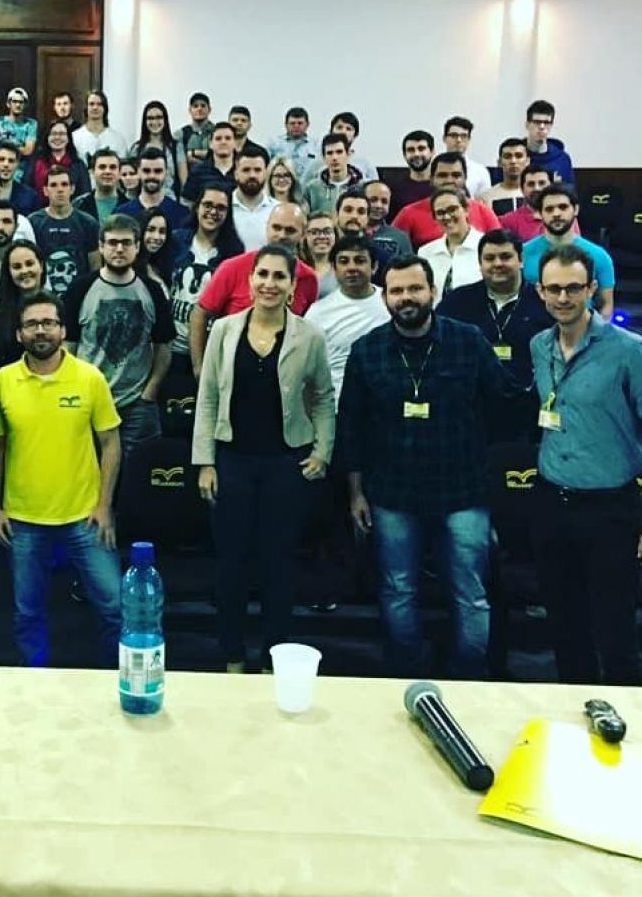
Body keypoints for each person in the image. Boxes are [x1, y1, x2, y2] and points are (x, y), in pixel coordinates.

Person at [337, 256, 522, 678]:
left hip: (462, 490)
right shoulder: (366, 350)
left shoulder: (467, 340)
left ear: (433, 292)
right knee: (397, 590)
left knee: (470, 592)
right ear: (385, 297)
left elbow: (504, 401)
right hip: (392, 493)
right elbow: (352, 428)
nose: (407, 298)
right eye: (397, 291)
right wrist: (356, 493)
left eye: (415, 289)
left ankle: (469, 676)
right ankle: (409, 672)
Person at [193, 244, 334, 670]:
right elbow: (208, 397)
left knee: (279, 563)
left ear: (292, 286)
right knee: (231, 562)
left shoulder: (309, 336)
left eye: (279, 276)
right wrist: (205, 462)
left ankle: (276, 657)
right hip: (232, 460)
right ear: (250, 280)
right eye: (263, 275)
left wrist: (322, 451)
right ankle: (232, 655)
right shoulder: (224, 330)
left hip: (285, 464)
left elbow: (322, 397)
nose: (269, 283)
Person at [0, 290, 123, 667]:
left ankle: (113, 677)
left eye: (48, 323)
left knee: (115, 607)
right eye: (31, 324)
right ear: (19, 334)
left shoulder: (89, 378)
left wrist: (104, 506)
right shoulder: (2, 381)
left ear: (63, 330)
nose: (40, 331)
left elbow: (111, 443)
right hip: (23, 519)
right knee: (27, 612)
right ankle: (35, 678)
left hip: (86, 517)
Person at [529, 245, 642, 684]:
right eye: (554, 288)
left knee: (614, 627)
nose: (563, 298)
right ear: (540, 291)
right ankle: (575, 704)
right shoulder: (539, 346)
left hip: (610, 508)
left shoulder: (629, 351)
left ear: (592, 288)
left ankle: (624, 715)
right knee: (563, 622)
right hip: (551, 502)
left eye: (573, 288)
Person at [64, 214, 174, 467]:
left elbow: (164, 347)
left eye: (126, 243)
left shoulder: (153, 290)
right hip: (90, 401)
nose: (119, 249)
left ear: (138, 246)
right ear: (101, 247)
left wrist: (149, 394)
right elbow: (68, 348)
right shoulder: (80, 288)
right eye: (113, 243)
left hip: (137, 404)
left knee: (137, 477)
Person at [438, 227, 550, 444]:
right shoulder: (457, 302)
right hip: (471, 415)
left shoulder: (544, 302)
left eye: (505, 256)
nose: (497, 263)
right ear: (480, 264)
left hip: (529, 417)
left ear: (521, 260)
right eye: (489, 258)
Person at [188, 204, 319, 375]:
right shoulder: (232, 267)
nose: (282, 235)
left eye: (290, 230)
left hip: (284, 372)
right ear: (267, 228)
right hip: (231, 368)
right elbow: (200, 313)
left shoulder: (309, 279)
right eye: (276, 228)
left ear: (303, 234)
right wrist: (200, 367)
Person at [166, 183, 244, 377]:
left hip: (210, 348)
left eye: (220, 208)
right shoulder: (176, 240)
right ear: (197, 207)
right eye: (207, 205)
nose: (213, 212)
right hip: (172, 346)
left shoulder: (233, 251)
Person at [303, 234, 389, 398]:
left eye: (360, 261)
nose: (351, 267)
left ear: (374, 266)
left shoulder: (392, 302)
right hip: (337, 402)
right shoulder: (318, 313)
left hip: (388, 401)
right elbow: (307, 368)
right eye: (343, 261)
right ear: (333, 268)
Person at [520, 183, 615, 321]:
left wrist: (596, 334)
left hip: (582, 330)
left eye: (563, 207)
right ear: (540, 214)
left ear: (575, 209)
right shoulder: (523, 254)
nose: (556, 214)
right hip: (532, 329)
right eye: (549, 209)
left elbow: (606, 306)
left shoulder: (599, 256)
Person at [391, 152, 500, 248]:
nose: (449, 180)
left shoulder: (483, 211)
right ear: (431, 179)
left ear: (465, 178)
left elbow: (500, 247)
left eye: (456, 175)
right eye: (442, 175)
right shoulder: (408, 214)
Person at [29, 164, 101, 296]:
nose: (60, 189)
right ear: (45, 190)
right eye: (53, 185)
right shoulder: (33, 222)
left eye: (64, 184)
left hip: (80, 294)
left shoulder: (88, 223)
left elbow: (95, 267)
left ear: (72, 189)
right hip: (43, 295)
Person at [0, 239, 45, 366]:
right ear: (9, 272)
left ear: (41, 266)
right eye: (17, 267)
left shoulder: (56, 306)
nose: (24, 271)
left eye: (29, 264)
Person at [419, 186, 483, 302]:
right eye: (440, 213)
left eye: (452, 209)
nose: (447, 217)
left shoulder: (485, 246)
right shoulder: (425, 252)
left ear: (466, 210)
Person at [115, 146, 189, 229]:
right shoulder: (121, 214)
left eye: (158, 171)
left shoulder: (182, 214)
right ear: (138, 172)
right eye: (146, 171)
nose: (152, 176)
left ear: (166, 172)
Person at [130, 100, 187, 195]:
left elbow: (184, 181)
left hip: (169, 198)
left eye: (159, 117)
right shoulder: (136, 148)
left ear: (165, 120)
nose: (155, 122)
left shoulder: (176, 147)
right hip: (143, 199)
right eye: (150, 118)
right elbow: (131, 179)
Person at [302, 133, 362, 218]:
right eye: (329, 153)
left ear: (348, 154)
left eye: (339, 152)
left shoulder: (362, 186)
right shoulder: (312, 188)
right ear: (323, 158)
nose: (334, 157)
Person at [229, 143, 274, 249]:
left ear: (266, 173)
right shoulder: (223, 207)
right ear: (236, 174)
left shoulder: (277, 210)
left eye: (257, 170)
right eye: (246, 170)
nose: (252, 175)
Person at [182, 120, 238, 201]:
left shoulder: (244, 170)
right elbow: (187, 202)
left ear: (235, 143)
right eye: (218, 139)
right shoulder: (197, 171)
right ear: (210, 143)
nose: (223, 142)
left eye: (228, 138)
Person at [362, 179, 414, 265]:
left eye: (384, 201)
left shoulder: (400, 237)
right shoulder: (347, 231)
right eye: (373, 200)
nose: (378, 205)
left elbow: (409, 268)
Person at [441, 116, 493, 200]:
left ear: (469, 139)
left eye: (464, 136)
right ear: (444, 138)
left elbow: (484, 204)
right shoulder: (434, 168)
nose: (459, 140)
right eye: (454, 135)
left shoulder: (480, 171)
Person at [524, 99, 574, 184]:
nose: (542, 126)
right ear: (527, 125)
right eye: (537, 122)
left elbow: (569, 189)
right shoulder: (516, 157)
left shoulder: (562, 159)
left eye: (546, 122)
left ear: (551, 125)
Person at [72, 89, 128, 164]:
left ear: (105, 108)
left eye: (99, 104)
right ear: (86, 108)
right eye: (91, 104)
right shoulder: (75, 137)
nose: (95, 107)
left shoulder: (117, 139)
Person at [389, 129, 435, 217]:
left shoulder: (442, 185)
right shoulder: (394, 189)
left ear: (432, 152)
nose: (416, 154)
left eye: (421, 149)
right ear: (404, 155)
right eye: (411, 150)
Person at [74, 148, 126, 225]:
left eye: (112, 167)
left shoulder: (131, 206)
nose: (107, 171)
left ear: (120, 173)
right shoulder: (78, 206)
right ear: (92, 172)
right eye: (102, 167)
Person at [479, 138, 529, 217]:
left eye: (519, 156)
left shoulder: (537, 194)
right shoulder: (486, 197)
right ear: (499, 162)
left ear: (527, 161)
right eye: (507, 156)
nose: (513, 161)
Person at [0, 142, 41, 215]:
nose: (6, 164)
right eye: (1, 159)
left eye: (11, 161)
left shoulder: (30, 196)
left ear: (17, 164)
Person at [323, 111, 375, 182]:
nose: (343, 132)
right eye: (339, 127)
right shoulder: (317, 163)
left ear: (355, 135)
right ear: (331, 130)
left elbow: (375, 187)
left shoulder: (365, 163)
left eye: (348, 129)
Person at [269, 106, 317, 180]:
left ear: (307, 124)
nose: (296, 126)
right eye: (292, 123)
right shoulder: (274, 144)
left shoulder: (316, 145)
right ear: (286, 125)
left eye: (300, 123)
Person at [139, 209, 180, 288]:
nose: (156, 237)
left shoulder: (161, 267)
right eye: (150, 230)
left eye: (162, 231)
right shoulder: (129, 270)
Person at [300, 213, 337, 297]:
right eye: (314, 232)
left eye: (327, 232)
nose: (322, 236)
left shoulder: (342, 269)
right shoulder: (296, 267)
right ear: (305, 236)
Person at [178, 91, 215, 168]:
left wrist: (193, 153)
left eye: (203, 106)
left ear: (209, 109)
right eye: (195, 106)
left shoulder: (217, 131)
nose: (199, 109)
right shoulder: (181, 134)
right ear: (190, 110)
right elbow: (180, 157)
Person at [0, 87, 38, 157]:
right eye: (14, 101)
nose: (18, 105)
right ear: (8, 104)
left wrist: (4, 146)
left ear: (25, 105)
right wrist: (19, 147)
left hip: (22, 160)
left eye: (21, 102)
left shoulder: (31, 123)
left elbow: (28, 150)